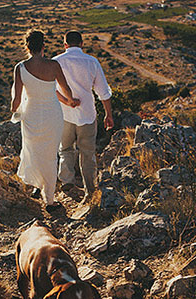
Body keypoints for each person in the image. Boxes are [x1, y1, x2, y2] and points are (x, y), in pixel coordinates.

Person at [11, 30, 79, 213]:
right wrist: (71, 101)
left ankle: (36, 185)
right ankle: (49, 199)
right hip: (52, 114)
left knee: (34, 151)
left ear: (26, 47)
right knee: (50, 155)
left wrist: (14, 110)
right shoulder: (54, 65)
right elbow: (66, 90)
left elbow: (16, 101)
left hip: (31, 116)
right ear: (43, 46)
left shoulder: (20, 68)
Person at [53, 31, 114, 199]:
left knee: (65, 149)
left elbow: (51, 89)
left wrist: (67, 102)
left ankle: (67, 182)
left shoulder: (56, 62)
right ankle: (90, 189)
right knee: (87, 153)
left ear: (65, 45)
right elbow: (104, 92)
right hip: (87, 114)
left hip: (64, 114)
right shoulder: (92, 62)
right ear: (81, 44)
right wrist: (108, 114)